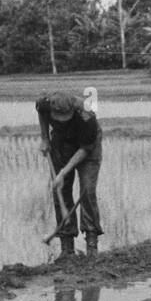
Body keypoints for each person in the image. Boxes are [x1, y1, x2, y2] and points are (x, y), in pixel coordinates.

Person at [36, 91, 103, 257]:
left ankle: (91, 239)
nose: (61, 120)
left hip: (87, 148)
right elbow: (42, 114)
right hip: (61, 142)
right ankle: (67, 244)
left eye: (65, 116)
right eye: (58, 116)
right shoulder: (44, 103)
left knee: (87, 189)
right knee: (61, 190)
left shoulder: (86, 115)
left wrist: (63, 172)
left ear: (72, 110)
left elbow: (85, 149)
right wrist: (45, 138)